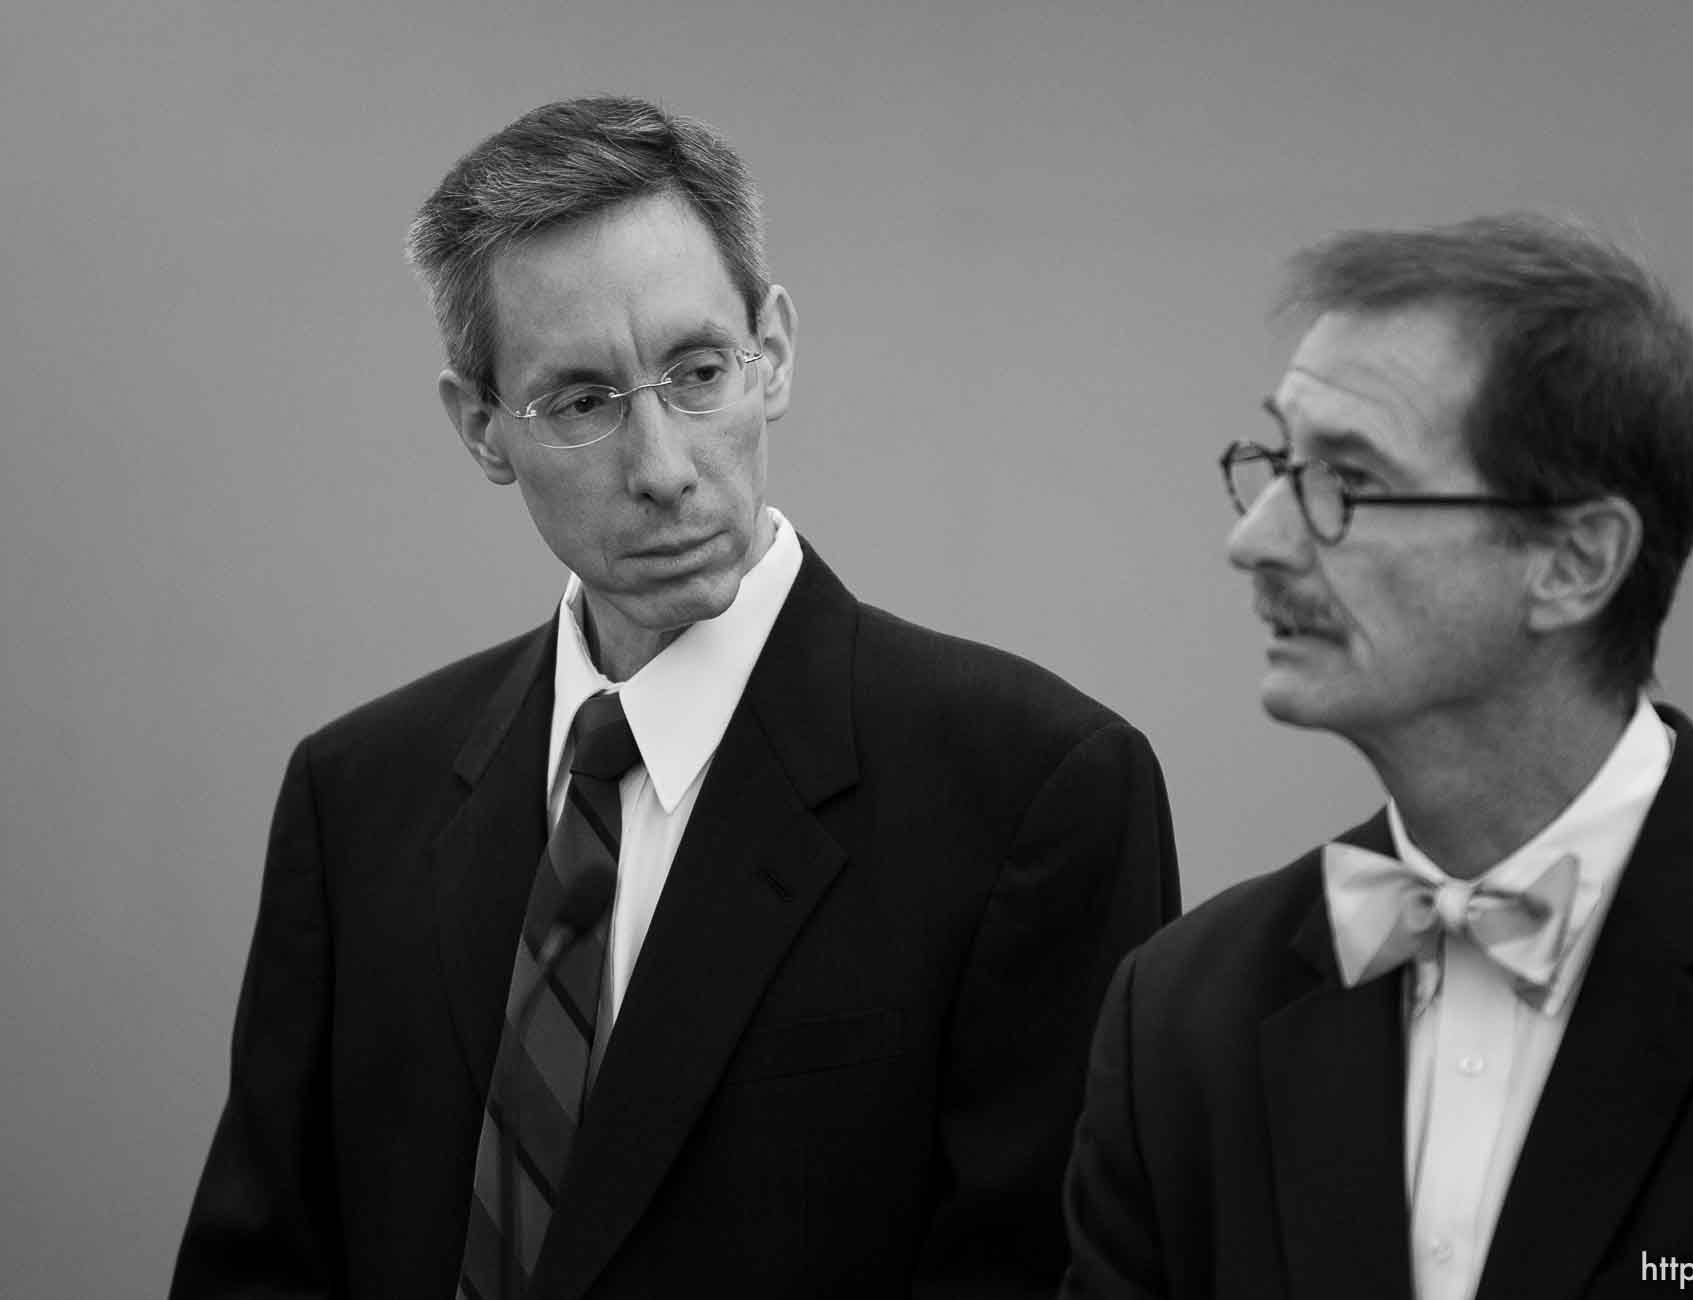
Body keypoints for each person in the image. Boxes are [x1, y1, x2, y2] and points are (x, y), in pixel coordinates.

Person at [172, 96, 1179, 1299]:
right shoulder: (356, 796)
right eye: (584, 402)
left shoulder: (1037, 791)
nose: (662, 467)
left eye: (698, 371)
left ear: (777, 352)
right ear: (482, 428)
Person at [1061, 213, 1693, 1298]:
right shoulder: (1183, 1012)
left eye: (1349, 479)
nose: (1256, 541)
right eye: (1277, 464)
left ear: (1575, 562)